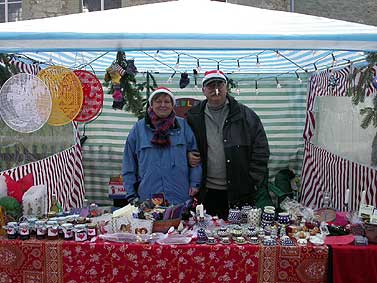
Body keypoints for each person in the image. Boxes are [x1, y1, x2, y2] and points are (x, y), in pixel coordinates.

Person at [187, 70, 270, 220]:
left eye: (220, 84)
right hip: (205, 192)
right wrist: (187, 155)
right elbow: (184, 144)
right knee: (207, 237)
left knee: (239, 236)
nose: (216, 89)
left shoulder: (246, 116)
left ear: (227, 88)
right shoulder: (193, 116)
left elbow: (261, 150)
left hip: (240, 192)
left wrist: (251, 181)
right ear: (203, 90)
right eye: (210, 85)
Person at [122, 87, 201, 205]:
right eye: (158, 101)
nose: (163, 105)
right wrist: (131, 194)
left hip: (179, 196)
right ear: (151, 104)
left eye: (167, 101)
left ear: (172, 105)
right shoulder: (138, 129)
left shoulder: (183, 127)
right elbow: (129, 164)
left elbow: (196, 158)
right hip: (148, 197)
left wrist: (195, 184)